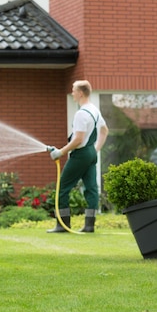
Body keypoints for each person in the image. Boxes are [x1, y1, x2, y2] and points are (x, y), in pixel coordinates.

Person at [48, 80, 109, 233]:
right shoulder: (94, 110)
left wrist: (60, 152)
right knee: (91, 189)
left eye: (74, 90)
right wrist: (95, 150)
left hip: (81, 154)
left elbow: (78, 139)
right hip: (90, 153)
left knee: (62, 188)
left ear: (81, 93)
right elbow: (104, 131)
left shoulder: (81, 113)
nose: (72, 93)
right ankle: (89, 225)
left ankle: (62, 225)